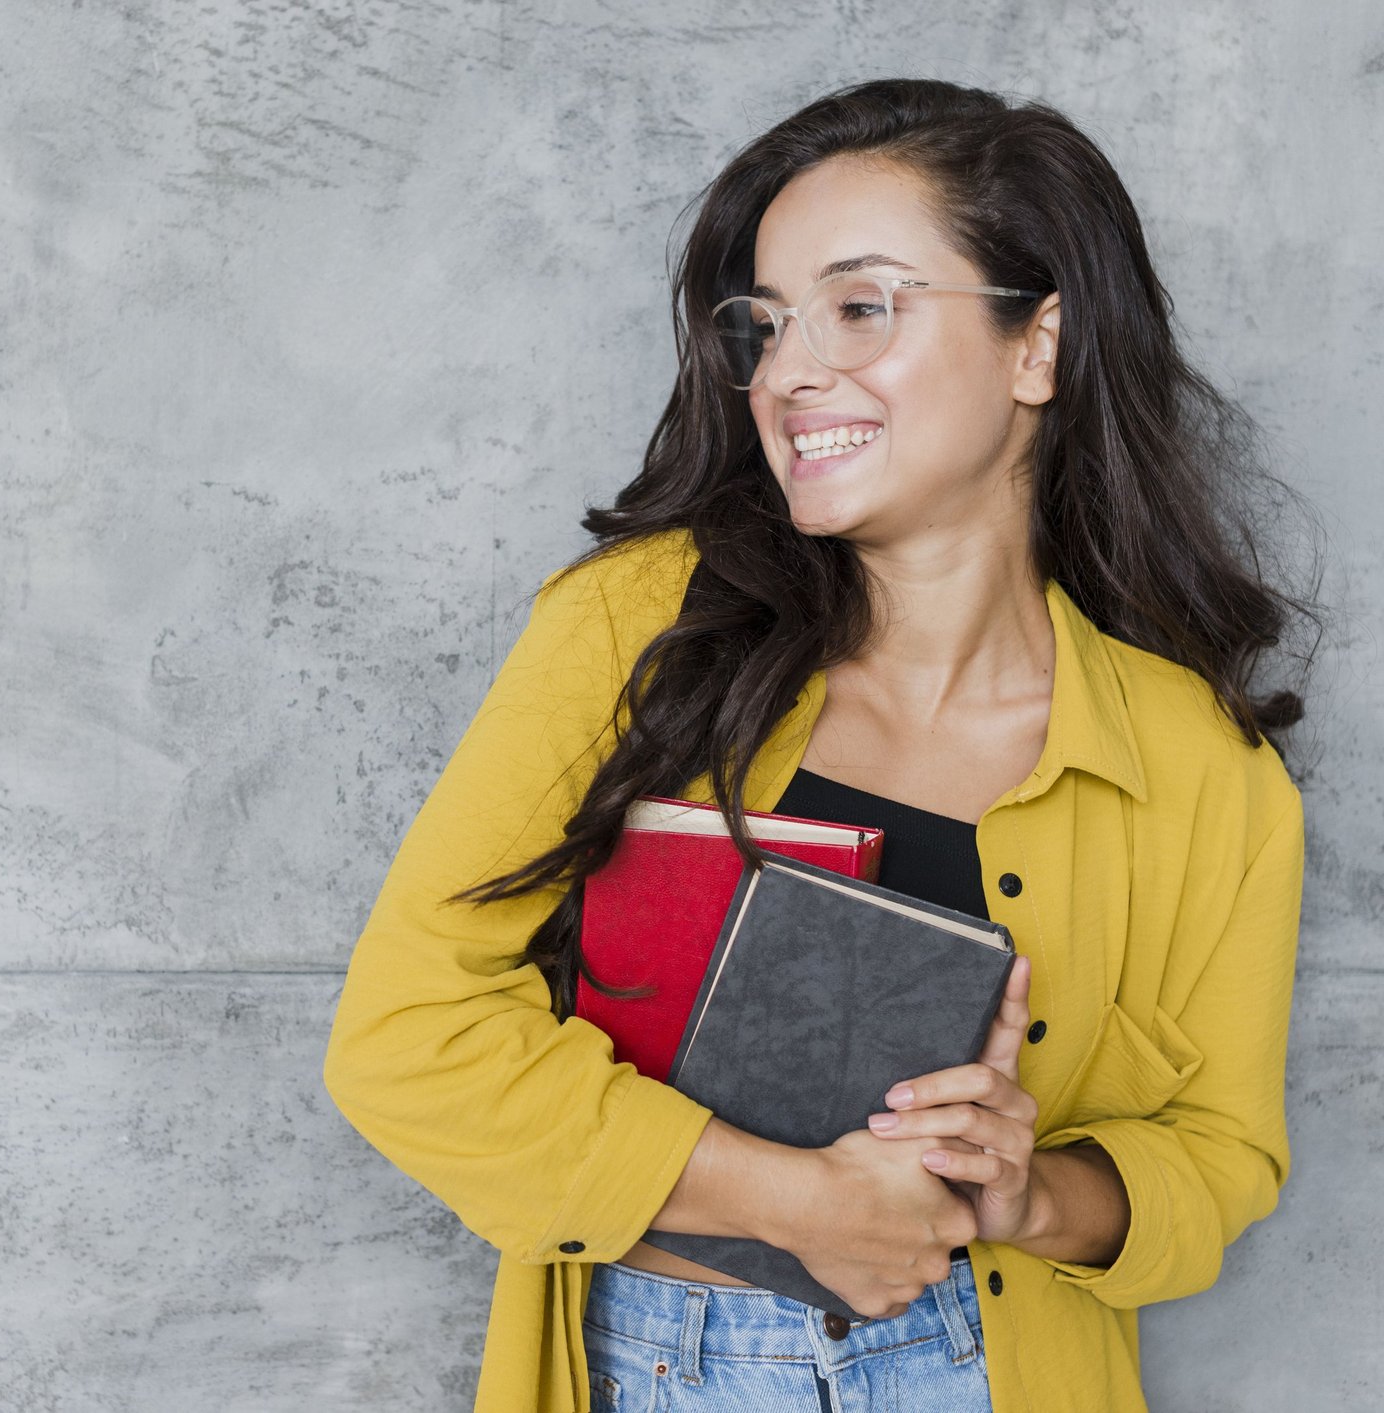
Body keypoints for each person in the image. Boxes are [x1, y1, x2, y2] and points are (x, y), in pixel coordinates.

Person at [322, 77, 1319, 1413]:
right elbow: (406, 1029)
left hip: (976, 1363)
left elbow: (1220, 1157)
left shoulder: (1205, 771)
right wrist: (794, 1198)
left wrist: (1029, 1193)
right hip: (657, 1359)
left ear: (1041, 347)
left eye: (862, 305)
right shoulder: (637, 627)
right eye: (767, 323)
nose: (790, 368)